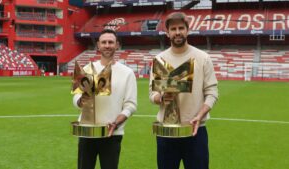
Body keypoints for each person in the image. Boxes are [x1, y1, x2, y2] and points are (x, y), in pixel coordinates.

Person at [149, 12, 218, 169]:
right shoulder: (159, 60)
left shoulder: (203, 58)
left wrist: (199, 116)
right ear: (167, 33)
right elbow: (152, 95)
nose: (177, 32)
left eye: (181, 28)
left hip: (195, 131)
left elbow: (212, 92)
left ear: (188, 30)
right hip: (166, 132)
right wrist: (160, 97)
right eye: (173, 29)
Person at [73, 29, 137, 169]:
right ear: (98, 45)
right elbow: (76, 98)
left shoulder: (127, 73)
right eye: (104, 42)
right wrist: (83, 99)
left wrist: (116, 122)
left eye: (110, 42)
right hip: (87, 131)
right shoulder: (87, 69)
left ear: (117, 45)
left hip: (112, 133)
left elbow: (131, 105)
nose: (107, 45)